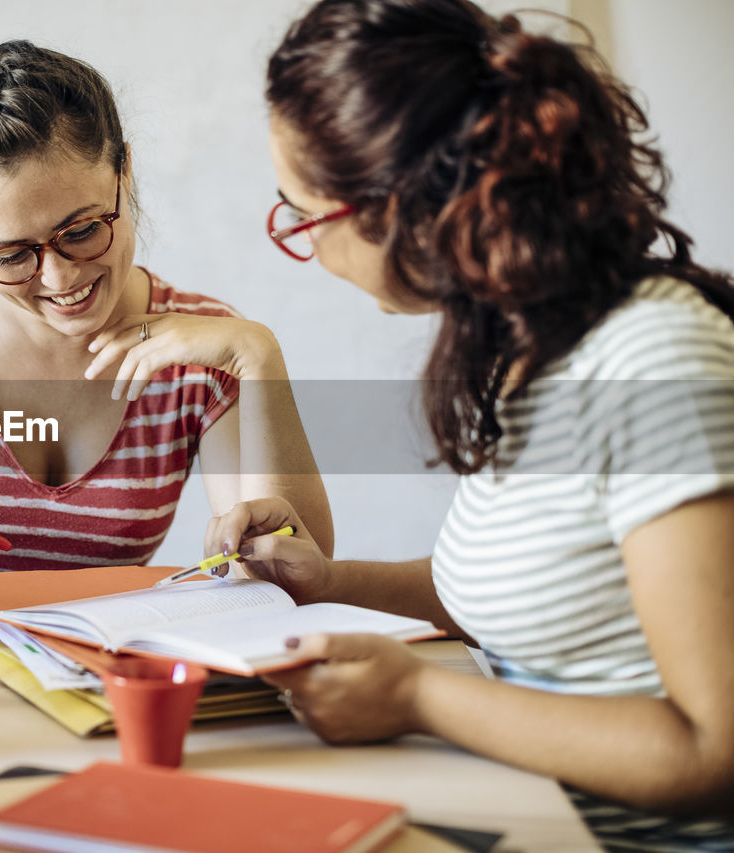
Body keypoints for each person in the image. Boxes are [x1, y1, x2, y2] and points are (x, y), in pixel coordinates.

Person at [209, 0, 734, 849]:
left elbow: (714, 750)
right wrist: (327, 580)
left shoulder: (654, 359)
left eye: (302, 215)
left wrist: (419, 696)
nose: (305, 244)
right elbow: (514, 589)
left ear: (404, 207)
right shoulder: (525, 343)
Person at [0, 40, 332, 608]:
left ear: (124, 172)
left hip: (98, 683)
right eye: (11, 256)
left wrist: (259, 356)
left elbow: (295, 581)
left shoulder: (207, 348)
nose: (60, 280)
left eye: (83, 230)